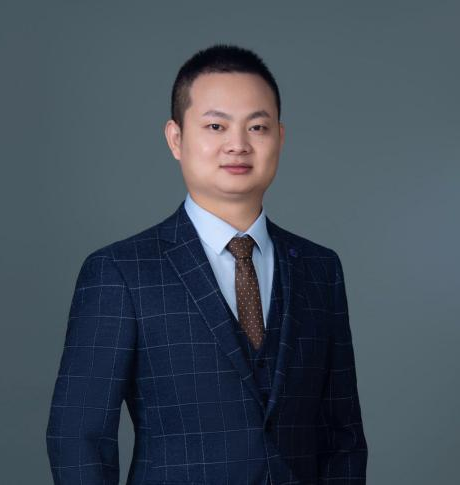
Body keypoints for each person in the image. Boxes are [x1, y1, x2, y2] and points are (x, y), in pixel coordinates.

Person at [46, 43, 368, 485]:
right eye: (216, 126)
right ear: (176, 138)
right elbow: (78, 438)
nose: (237, 145)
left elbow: (343, 435)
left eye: (257, 127)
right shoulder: (121, 271)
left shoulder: (320, 269)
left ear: (280, 137)